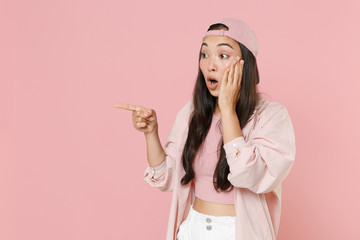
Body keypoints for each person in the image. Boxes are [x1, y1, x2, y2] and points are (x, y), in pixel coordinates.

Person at [114, 18, 296, 240]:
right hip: (193, 229)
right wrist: (151, 133)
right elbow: (166, 178)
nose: (210, 65)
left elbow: (251, 176)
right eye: (204, 54)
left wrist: (228, 110)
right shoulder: (193, 112)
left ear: (245, 64)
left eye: (223, 55)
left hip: (238, 232)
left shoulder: (271, 116)